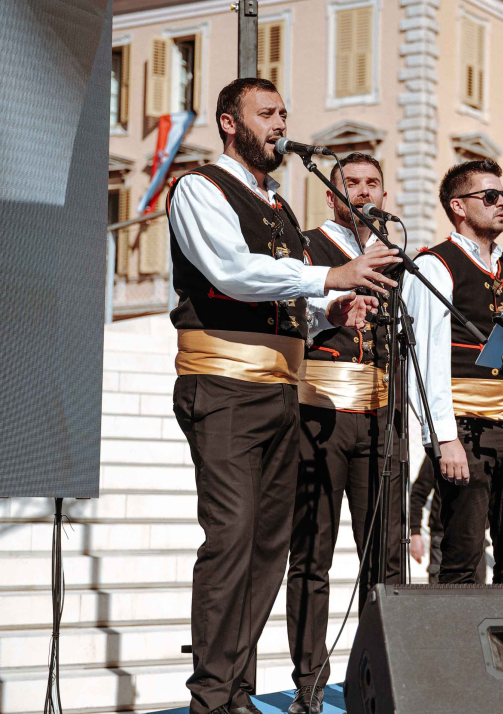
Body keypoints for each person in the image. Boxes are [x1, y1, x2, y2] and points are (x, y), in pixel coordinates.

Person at [167, 78, 398, 714]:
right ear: (228, 124)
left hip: (282, 392)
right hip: (223, 385)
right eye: (265, 113)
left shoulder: (278, 205)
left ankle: (236, 691)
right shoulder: (199, 189)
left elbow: (288, 296)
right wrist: (329, 274)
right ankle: (211, 698)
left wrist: (332, 310)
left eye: (284, 113)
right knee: (231, 539)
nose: (279, 123)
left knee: (270, 549)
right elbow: (231, 272)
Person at [285, 152, 401, 714]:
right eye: (351, 184)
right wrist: (331, 312)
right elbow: (288, 314)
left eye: (372, 183)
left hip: (383, 415)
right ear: (332, 196)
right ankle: (309, 681)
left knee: (386, 554)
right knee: (313, 553)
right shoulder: (307, 246)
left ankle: (377, 677)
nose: (363, 191)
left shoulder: (397, 256)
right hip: (321, 411)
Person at [402, 158, 503, 584]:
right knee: (463, 552)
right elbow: (424, 359)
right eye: (490, 196)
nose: (502, 203)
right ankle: (459, 650)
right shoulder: (435, 264)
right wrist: (443, 439)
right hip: (465, 428)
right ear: (458, 206)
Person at [408, 456, 487, 582]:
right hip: (442, 538)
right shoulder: (438, 451)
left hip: (476, 537)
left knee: (476, 594)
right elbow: (418, 494)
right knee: (441, 594)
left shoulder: (483, 452)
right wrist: (415, 533)